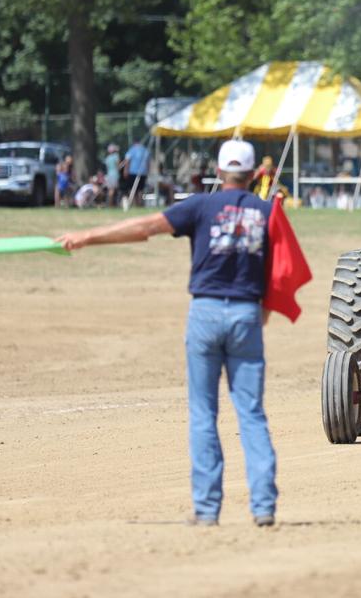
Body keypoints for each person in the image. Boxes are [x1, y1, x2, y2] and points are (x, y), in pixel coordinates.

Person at [55, 139, 279, 528]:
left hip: (206, 312)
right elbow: (283, 267)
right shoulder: (268, 212)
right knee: (251, 413)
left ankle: (207, 510)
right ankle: (263, 507)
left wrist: (88, 236)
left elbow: (144, 228)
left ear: (221, 170)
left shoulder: (201, 206)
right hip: (246, 313)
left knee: (203, 414)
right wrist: (266, 310)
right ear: (253, 172)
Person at [124, 139, 151, 207]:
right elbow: (148, 162)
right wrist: (148, 171)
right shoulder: (145, 150)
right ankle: (139, 203)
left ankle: (133, 203)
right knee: (140, 189)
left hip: (132, 172)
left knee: (132, 189)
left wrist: (125, 171)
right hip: (143, 172)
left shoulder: (132, 150)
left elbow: (127, 161)